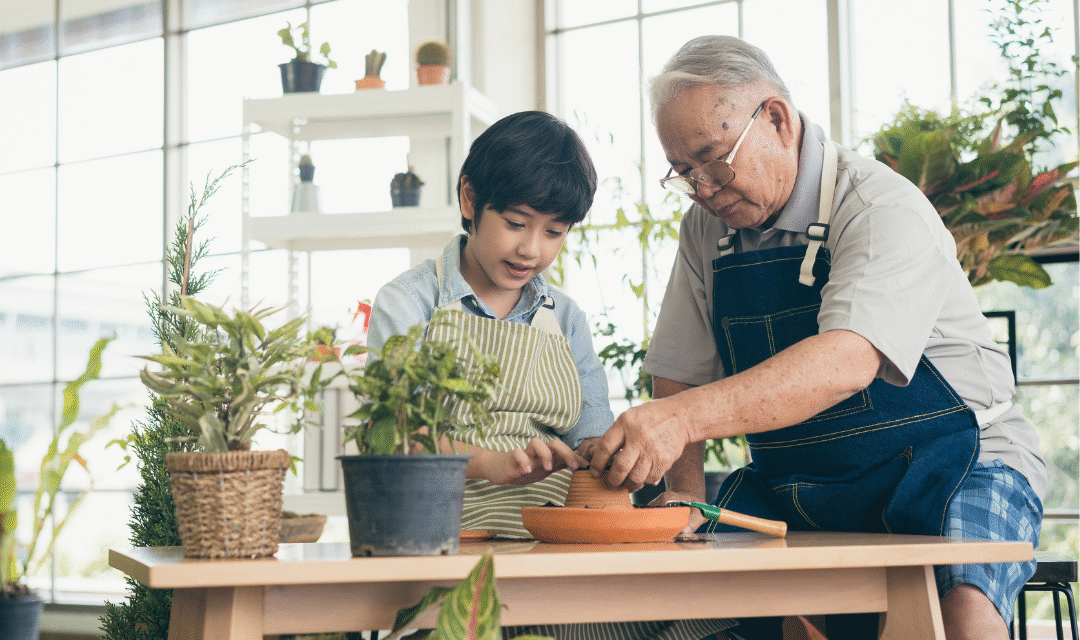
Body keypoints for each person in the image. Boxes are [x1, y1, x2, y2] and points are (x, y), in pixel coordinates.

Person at [588, 36, 1045, 640]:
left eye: (713, 161)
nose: (703, 188)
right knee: (691, 606)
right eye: (685, 172)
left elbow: (845, 362)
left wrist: (678, 420)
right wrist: (685, 496)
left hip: (956, 461)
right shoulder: (704, 229)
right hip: (800, 482)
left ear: (776, 119)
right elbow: (680, 366)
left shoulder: (879, 206)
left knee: (958, 612)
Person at [368, 110, 735, 640]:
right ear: (470, 199)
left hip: (559, 545)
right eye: (516, 224)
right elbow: (397, 439)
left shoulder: (564, 318)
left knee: (710, 609)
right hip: (452, 546)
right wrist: (491, 464)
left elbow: (591, 437)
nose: (531, 249)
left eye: (554, 232)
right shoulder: (410, 302)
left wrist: (614, 456)